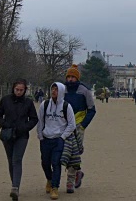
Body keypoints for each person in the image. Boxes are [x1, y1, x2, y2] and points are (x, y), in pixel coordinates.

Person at [0, 79, 39, 200]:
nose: (19, 92)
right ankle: (15, 184)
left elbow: (34, 119)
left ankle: (15, 187)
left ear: (25, 90)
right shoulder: (5, 100)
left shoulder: (28, 102)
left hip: (22, 135)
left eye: (21, 90)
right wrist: (4, 123)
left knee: (17, 160)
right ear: (13, 89)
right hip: (8, 134)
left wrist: (25, 127)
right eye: (17, 89)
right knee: (10, 160)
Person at [37, 82, 76, 200]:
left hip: (59, 139)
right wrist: (40, 136)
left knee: (56, 163)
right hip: (46, 138)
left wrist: (62, 137)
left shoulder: (66, 106)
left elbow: (72, 124)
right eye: (52, 89)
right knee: (45, 162)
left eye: (56, 89)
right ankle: (49, 179)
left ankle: (55, 187)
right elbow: (40, 121)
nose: (53, 91)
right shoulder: (44, 104)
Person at [63, 64, 96, 194]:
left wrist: (82, 125)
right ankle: (78, 172)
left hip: (78, 126)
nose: (70, 79)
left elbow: (92, 110)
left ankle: (72, 179)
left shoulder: (84, 91)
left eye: (73, 77)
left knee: (74, 153)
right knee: (63, 153)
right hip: (63, 126)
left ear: (77, 78)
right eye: (68, 77)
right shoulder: (62, 90)